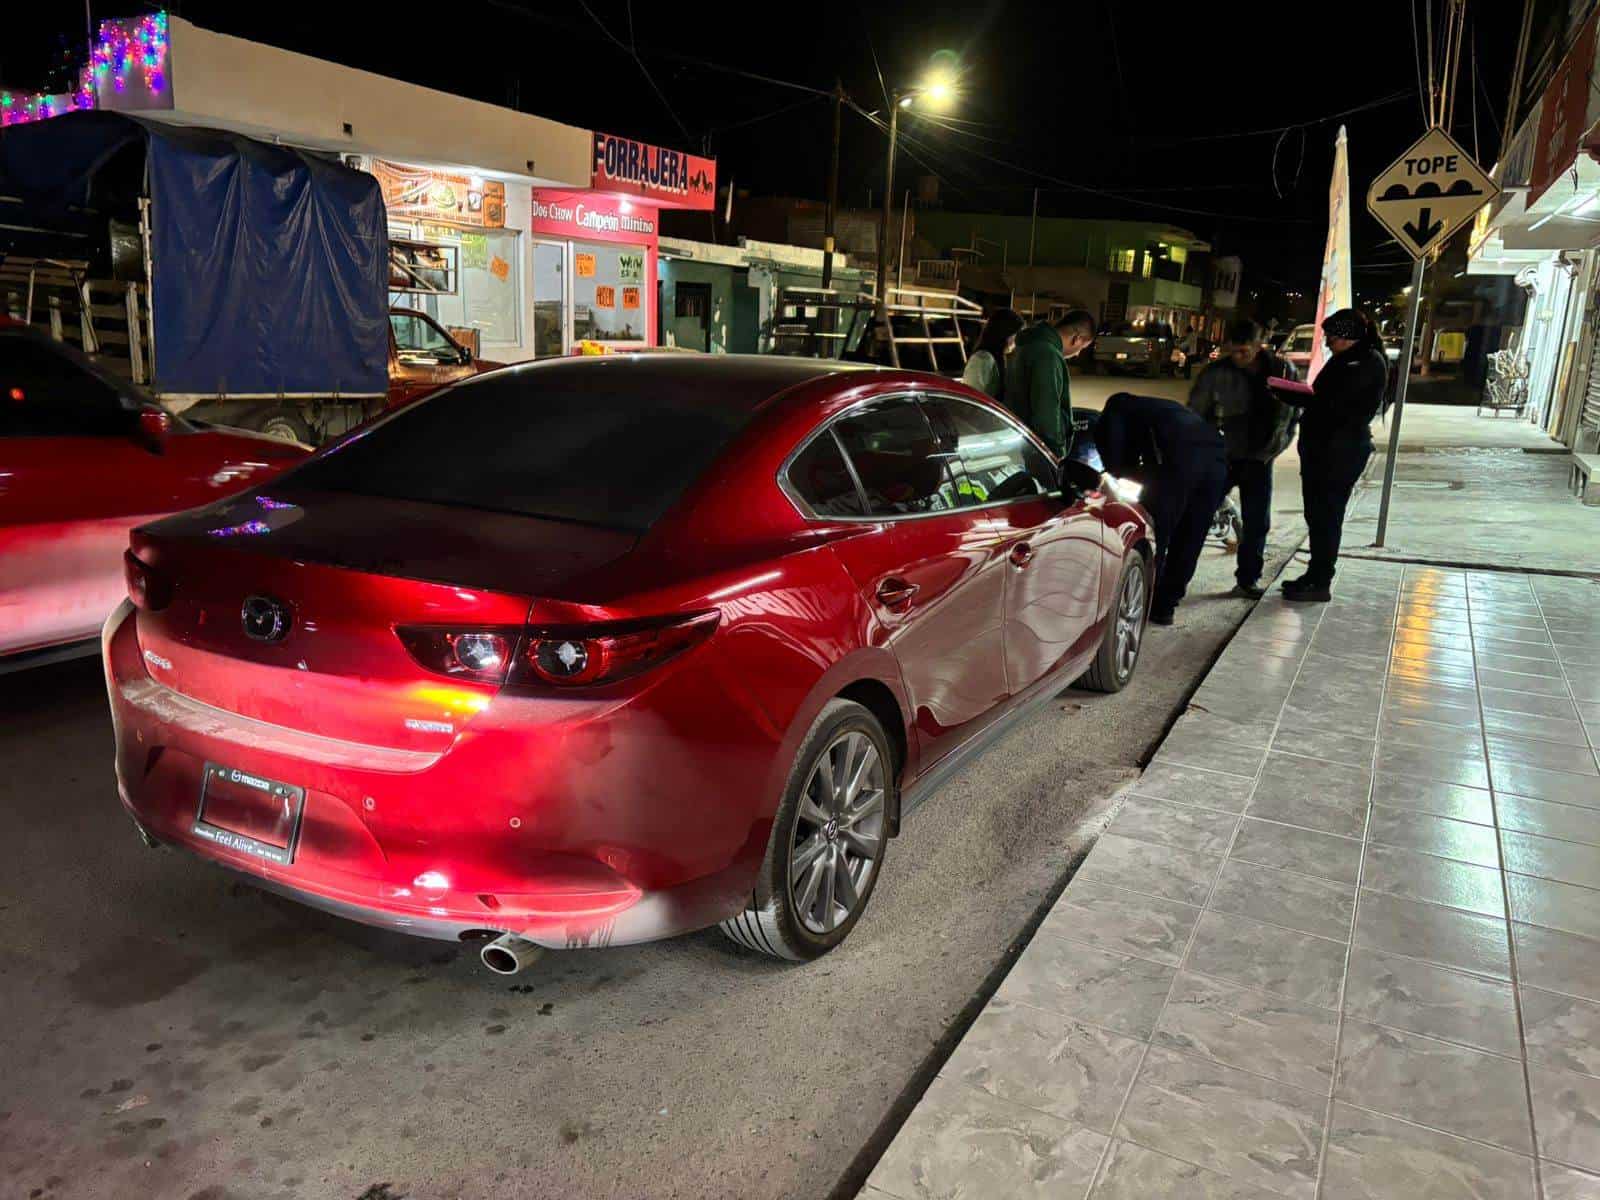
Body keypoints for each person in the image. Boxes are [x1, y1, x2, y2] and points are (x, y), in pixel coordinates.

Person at [1276, 308, 1388, 602]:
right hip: (1326, 448)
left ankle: (1321, 580)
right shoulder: (1349, 360)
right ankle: (1315, 574)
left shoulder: (1364, 363)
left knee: (1326, 516)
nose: (1327, 342)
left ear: (1349, 337)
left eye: (1333, 337)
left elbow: (1334, 406)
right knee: (1318, 515)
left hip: (1339, 451)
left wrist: (1297, 397)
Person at [1187, 318, 1300, 600]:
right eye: (1233, 351)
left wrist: (1279, 444)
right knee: (1196, 517)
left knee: (1256, 522)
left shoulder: (1284, 370)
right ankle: (1175, 581)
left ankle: (1248, 579)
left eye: (1244, 351)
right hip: (1222, 457)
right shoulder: (1216, 374)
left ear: (1259, 346)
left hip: (1260, 458)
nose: (1238, 357)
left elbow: (1294, 413)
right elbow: (1195, 415)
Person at [1094, 392, 1228, 626]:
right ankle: (1166, 606)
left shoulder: (1115, 409)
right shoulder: (1158, 408)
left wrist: (1119, 476)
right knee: (1192, 535)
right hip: (1216, 459)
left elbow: (1116, 463)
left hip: (1178, 460)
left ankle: (1144, 600)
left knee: (1158, 532)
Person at [1003, 308, 1096, 456]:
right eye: (1082, 348)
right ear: (1076, 338)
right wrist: (1056, 456)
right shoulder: (1048, 356)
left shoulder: (1026, 345)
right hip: (1035, 451)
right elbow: (1047, 416)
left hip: (1019, 440)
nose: (1077, 354)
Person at [961, 307, 1024, 399]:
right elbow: (971, 398)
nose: (1017, 339)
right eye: (1016, 334)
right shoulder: (982, 359)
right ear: (1005, 332)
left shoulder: (1002, 357)